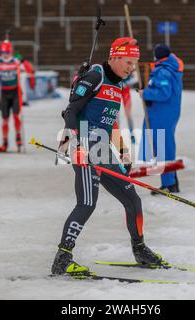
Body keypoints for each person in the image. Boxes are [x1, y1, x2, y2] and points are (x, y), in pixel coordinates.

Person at [51, 37, 168, 276]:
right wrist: (76, 142)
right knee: (87, 203)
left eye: (134, 63)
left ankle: (140, 249)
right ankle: (62, 258)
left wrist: (123, 151)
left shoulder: (118, 85)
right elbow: (71, 111)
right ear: (113, 57)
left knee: (132, 199)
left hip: (102, 150)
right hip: (82, 146)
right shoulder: (95, 76)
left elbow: (110, 121)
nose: (131, 68)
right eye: (127, 62)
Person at [138, 44, 184, 194]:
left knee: (164, 147)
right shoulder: (168, 69)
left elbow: (164, 93)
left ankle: (170, 183)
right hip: (163, 113)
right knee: (163, 147)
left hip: (162, 114)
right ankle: (170, 181)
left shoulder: (163, 71)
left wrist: (146, 94)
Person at [0, 40, 34, 152]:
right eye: (3, 51)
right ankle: (5, 143)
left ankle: (18, 138)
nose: (5, 54)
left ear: (11, 51)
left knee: (16, 116)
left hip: (15, 92)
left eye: (7, 51)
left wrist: (23, 61)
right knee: (5, 120)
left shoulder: (15, 60)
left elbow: (30, 70)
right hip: (4, 94)